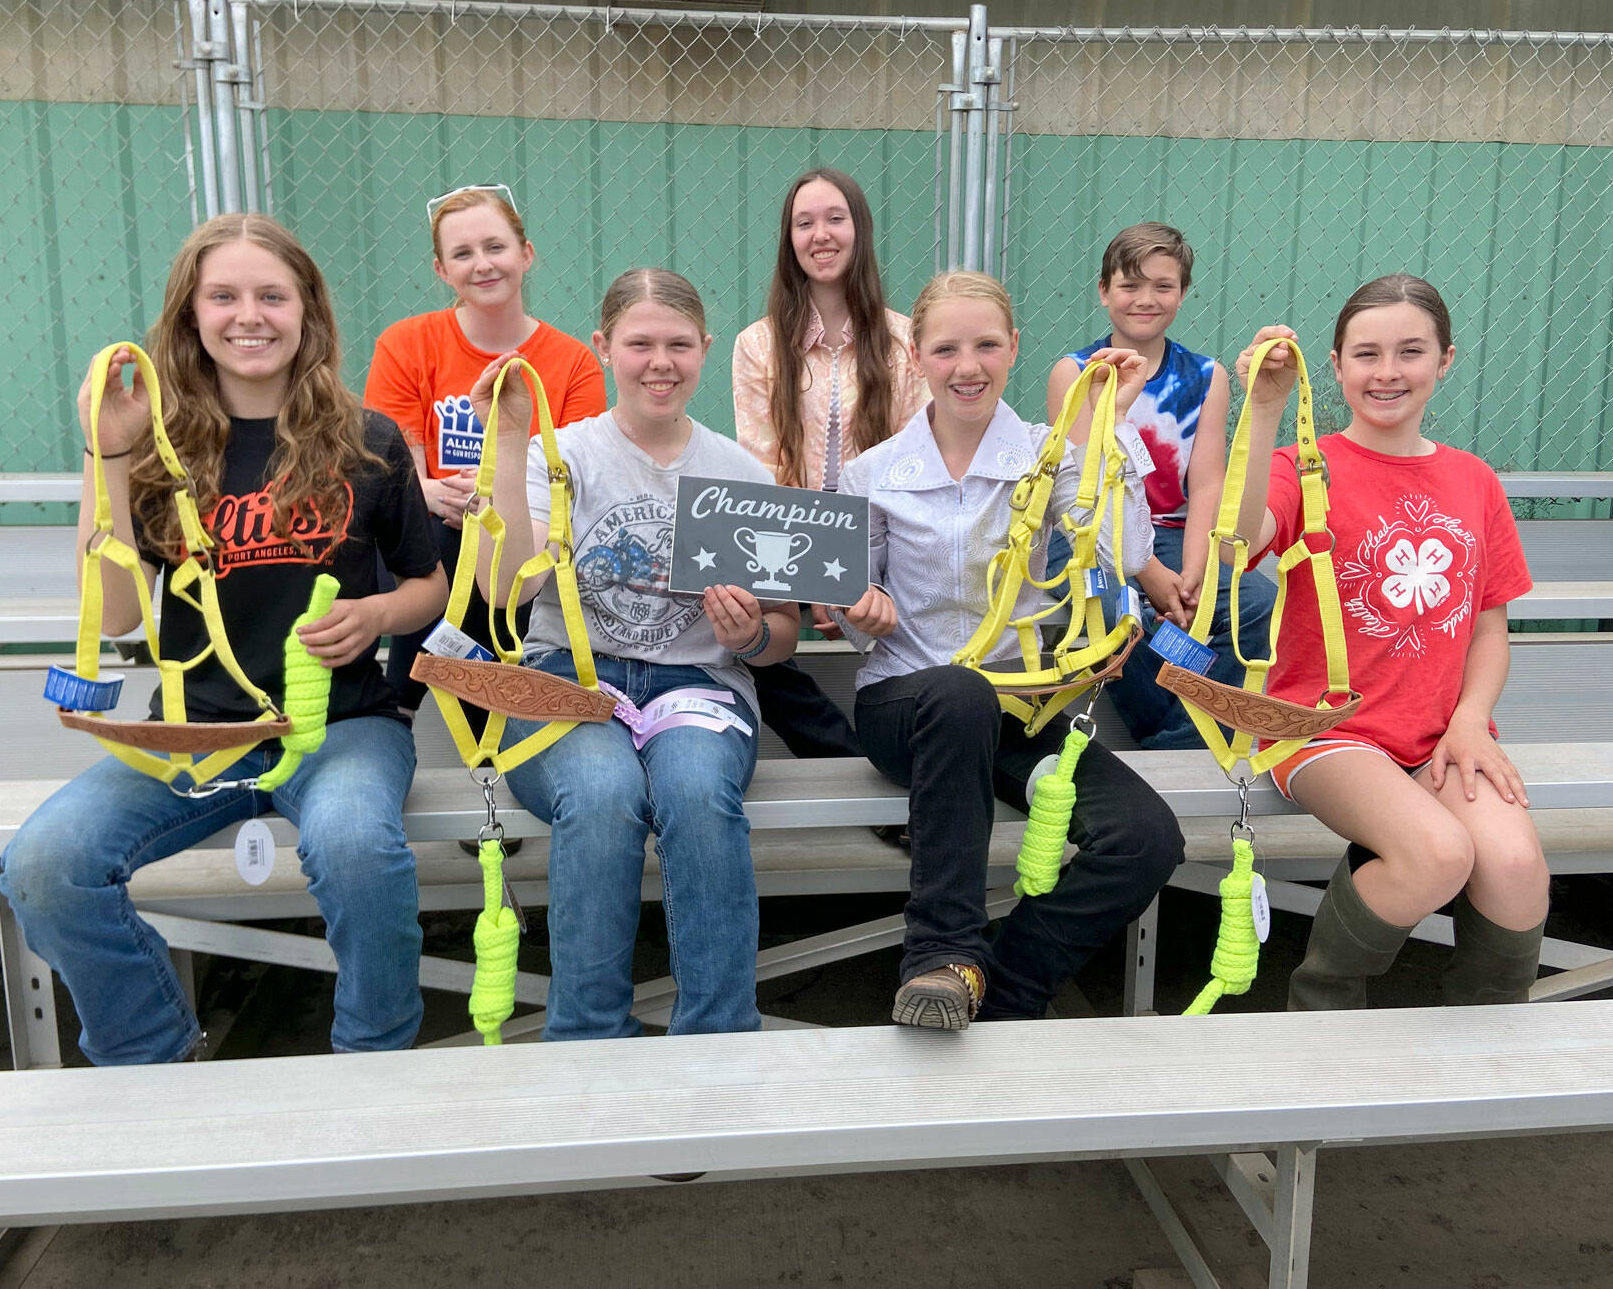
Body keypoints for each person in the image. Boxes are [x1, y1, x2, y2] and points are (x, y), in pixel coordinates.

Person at [0, 214, 448, 1064]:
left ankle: (376, 1066)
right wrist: (108, 457)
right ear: (190, 317)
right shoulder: (160, 445)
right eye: (225, 296)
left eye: (272, 295)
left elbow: (427, 583)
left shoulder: (368, 440)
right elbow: (122, 614)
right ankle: (155, 1061)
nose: (251, 315)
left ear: (307, 312)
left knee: (358, 851)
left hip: (342, 728)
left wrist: (379, 616)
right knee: (45, 865)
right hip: (197, 732)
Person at [834, 269, 1185, 1029]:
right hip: (908, 704)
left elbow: (1122, 554)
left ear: (1014, 348)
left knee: (1146, 838)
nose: (969, 366)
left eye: (987, 345)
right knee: (957, 692)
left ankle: (1006, 988)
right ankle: (941, 954)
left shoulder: (1046, 454)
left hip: (1019, 707)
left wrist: (1110, 426)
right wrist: (862, 611)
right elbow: (852, 609)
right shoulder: (871, 474)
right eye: (947, 348)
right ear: (916, 356)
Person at [470, 267, 801, 1040]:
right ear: (603, 348)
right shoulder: (562, 456)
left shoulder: (742, 475)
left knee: (694, 791)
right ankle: (587, 1040)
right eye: (640, 343)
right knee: (602, 792)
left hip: (699, 683)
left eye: (679, 344)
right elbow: (503, 592)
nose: (661, 361)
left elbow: (783, 636)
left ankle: (717, 1042)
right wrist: (513, 434)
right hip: (568, 674)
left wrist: (748, 634)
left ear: (706, 350)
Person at [1231, 275, 1545, 1010]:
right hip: (1323, 727)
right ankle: (1322, 1010)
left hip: (1439, 732)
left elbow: (1489, 625)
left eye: (1411, 351)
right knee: (1438, 853)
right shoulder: (1301, 467)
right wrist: (1265, 410)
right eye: (1366, 354)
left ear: (1445, 361)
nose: (1387, 371)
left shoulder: (1474, 479)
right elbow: (1239, 540)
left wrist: (1470, 722)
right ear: (1336, 366)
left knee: (1517, 864)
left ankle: (1481, 1050)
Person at [365, 185, 606, 719]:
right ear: (441, 270)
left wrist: (496, 494)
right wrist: (434, 492)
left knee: (492, 532)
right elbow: (396, 471)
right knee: (448, 529)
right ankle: (488, 706)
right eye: (462, 254)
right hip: (429, 532)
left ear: (526, 254)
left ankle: (406, 699)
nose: (483, 264)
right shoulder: (407, 344)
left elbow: (570, 478)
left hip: (526, 531)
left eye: (495, 247)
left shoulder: (572, 361)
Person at [1047, 223, 1276, 749]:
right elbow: (1084, 488)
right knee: (1116, 610)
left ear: (1183, 293)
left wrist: (1193, 572)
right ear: (1104, 292)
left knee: (1256, 600)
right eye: (1130, 285)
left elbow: (1207, 481)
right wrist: (1150, 575)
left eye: (1163, 286)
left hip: (1172, 532)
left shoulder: (1205, 375)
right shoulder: (1077, 372)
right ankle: (1173, 739)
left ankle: (1201, 734)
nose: (1145, 299)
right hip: (1087, 539)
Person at [732, 167, 930, 760]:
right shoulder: (759, 345)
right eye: (804, 222)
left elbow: (909, 470)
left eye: (835, 218)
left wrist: (850, 566)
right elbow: (762, 470)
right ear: (789, 239)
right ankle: (847, 758)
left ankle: (918, 742)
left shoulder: (902, 342)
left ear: (859, 230)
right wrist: (818, 571)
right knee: (743, 637)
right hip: (783, 544)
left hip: (884, 545)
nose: (821, 234)